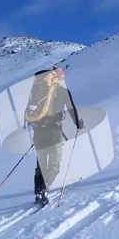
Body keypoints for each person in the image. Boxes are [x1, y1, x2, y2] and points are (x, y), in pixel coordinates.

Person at [24, 67, 83, 205]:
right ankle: (44, 188)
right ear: (60, 78)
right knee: (54, 163)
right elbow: (71, 109)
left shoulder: (37, 90)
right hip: (53, 131)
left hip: (37, 130)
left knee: (40, 165)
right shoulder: (62, 91)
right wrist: (78, 124)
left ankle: (38, 193)